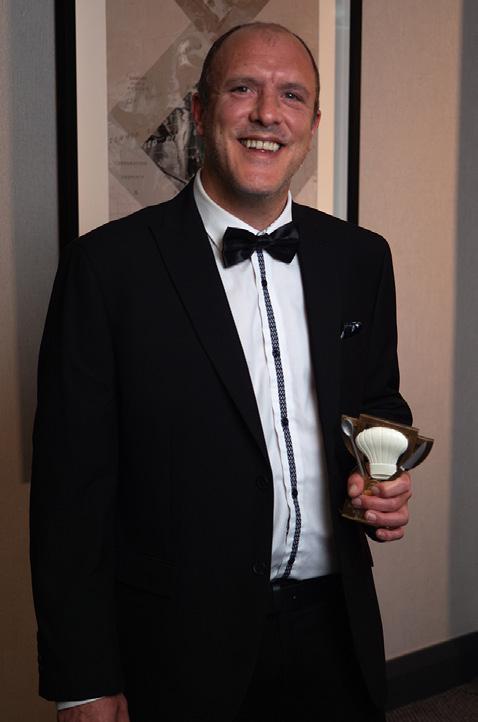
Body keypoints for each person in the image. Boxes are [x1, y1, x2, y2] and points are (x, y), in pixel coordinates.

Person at [30, 22, 413, 722]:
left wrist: (381, 477)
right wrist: (83, 680)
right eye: (243, 89)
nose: (268, 114)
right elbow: (70, 494)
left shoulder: (361, 257)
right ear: (201, 112)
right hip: (178, 644)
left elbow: (377, 399)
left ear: (312, 123)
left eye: (291, 95)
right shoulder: (106, 269)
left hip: (336, 629)